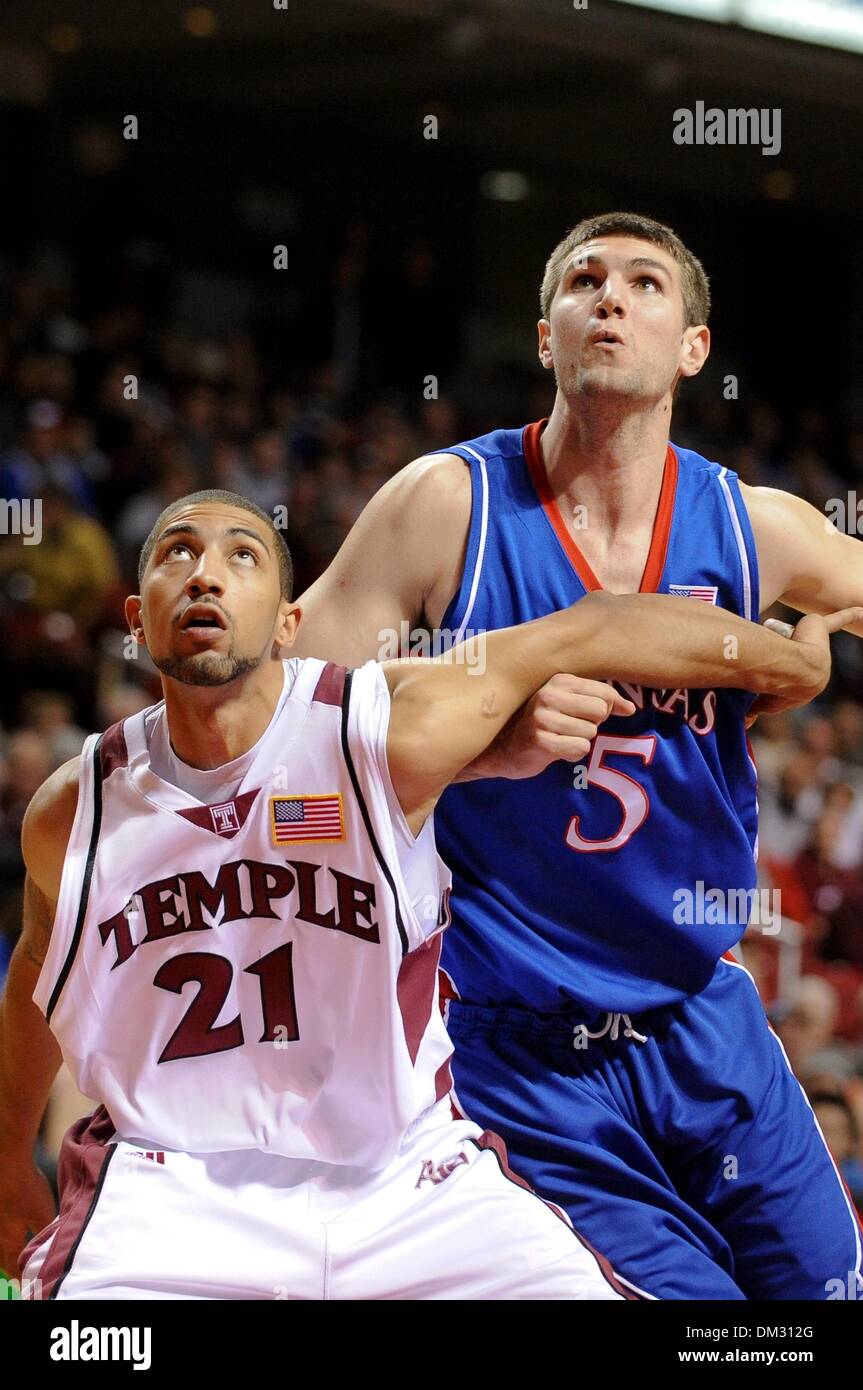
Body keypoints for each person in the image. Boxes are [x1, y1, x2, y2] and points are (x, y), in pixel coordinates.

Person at [1, 490, 834, 1301]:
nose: (205, 574)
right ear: (134, 618)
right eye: (177, 552)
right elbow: (37, 981)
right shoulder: (78, 810)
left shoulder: (383, 730)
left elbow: (594, 626)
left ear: (290, 623)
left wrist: (785, 661)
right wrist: (7, 1163)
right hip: (170, 1196)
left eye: (241, 555)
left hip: (407, 1183)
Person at [291, 211, 863, 1299]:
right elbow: (283, 745)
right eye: (584, 280)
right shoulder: (441, 509)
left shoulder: (754, 529)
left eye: (645, 283)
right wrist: (470, 746)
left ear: (691, 347)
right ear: (545, 336)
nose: (610, 296)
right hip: (518, 1050)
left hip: (704, 1012)